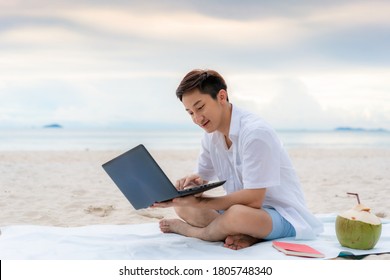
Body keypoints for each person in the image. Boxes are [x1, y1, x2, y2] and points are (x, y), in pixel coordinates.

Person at [152, 69, 323, 250]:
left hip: (280, 215)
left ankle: (195, 232)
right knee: (183, 207)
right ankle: (245, 235)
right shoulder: (211, 135)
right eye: (190, 113)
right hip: (241, 213)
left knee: (237, 215)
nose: (197, 118)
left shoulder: (255, 133)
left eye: (200, 107)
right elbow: (202, 177)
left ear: (222, 96)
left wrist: (201, 202)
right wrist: (189, 189)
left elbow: (254, 199)